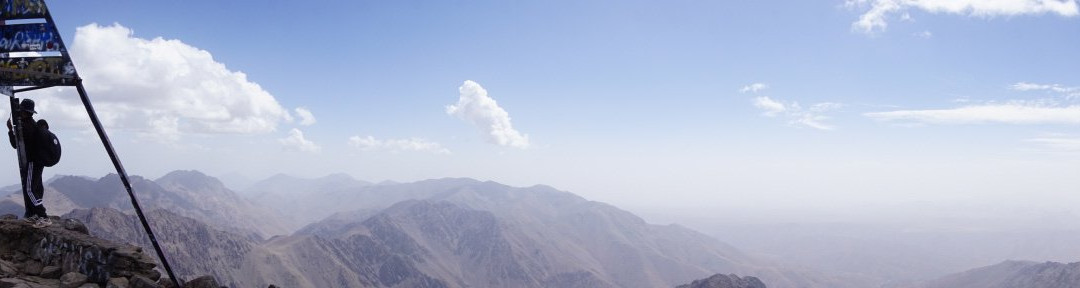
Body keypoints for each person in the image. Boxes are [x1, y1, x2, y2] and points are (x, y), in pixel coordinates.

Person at [6, 99, 50, 227]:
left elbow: (16, 145)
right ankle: (35, 214)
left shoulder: (23, 127)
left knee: (29, 189)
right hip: (39, 161)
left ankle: (43, 216)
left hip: (32, 161)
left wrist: (10, 130)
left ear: (23, 111)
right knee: (36, 187)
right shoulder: (33, 124)